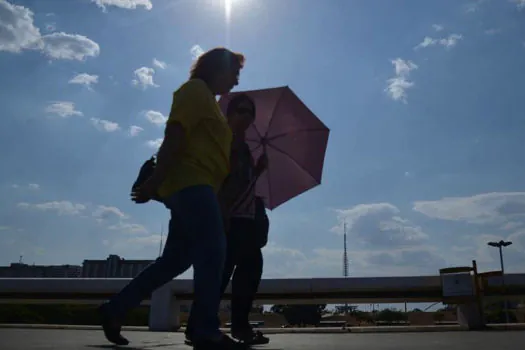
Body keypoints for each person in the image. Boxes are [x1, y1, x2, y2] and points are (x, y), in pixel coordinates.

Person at [98, 47, 248, 350]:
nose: (235, 82)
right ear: (218, 69)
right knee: (213, 250)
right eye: (234, 73)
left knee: (175, 260)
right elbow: (175, 136)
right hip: (190, 183)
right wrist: (154, 181)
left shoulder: (210, 102)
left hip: (198, 187)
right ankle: (205, 329)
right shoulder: (194, 91)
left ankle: (115, 309)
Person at [185, 94, 270, 346]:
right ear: (230, 114)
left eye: (250, 113)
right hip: (227, 217)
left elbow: (242, 183)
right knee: (221, 274)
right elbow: (220, 181)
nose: (247, 116)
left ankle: (237, 327)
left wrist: (257, 171)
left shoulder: (244, 148)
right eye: (241, 111)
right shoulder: (225, 142)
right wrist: (221, 214)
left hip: (245, 220)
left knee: (248, 272)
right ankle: (199, 327)